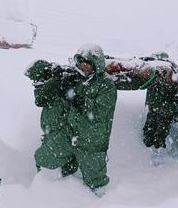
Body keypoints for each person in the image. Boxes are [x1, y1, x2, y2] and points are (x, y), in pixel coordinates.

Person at [27, 44, 117, 194]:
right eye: (81, 63)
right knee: (42, 158)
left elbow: (99, 114)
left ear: (96, 65)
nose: (83, 67)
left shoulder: (106, 85)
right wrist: (58, 81)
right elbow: (42, 98)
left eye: (87, 64)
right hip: (70, 134)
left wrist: (75, 97)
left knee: (96, 184)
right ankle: (57, 183)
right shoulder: (77, 77)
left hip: (91, 141)